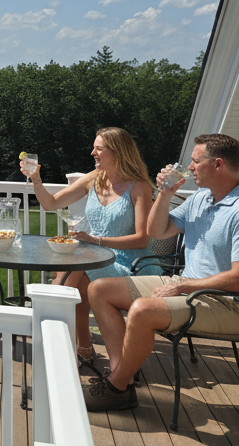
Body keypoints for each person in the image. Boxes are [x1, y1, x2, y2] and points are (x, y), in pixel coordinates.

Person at [82, 133, 239, 412]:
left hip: (230, 305)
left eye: (196, 161)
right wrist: (165, 193)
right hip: (189, 288)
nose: (191, 167)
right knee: (100, 289)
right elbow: (156, 231)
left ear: (218, 164)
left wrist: (184, 286)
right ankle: (121, 373)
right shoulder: (201, 199)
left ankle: (116, 387)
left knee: (142, 310)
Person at [23, 127, 159, 363]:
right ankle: (82, 347)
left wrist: (94, 240)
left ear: (117, 152)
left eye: (98, 148)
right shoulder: (95, 178)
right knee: (77, 275)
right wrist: (36, 180)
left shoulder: (139, 187)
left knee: (73, 267)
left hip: (132, 265)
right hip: (96, 257)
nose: (92, 152)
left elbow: (142, 239)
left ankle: (48, 328)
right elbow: (51, 203)